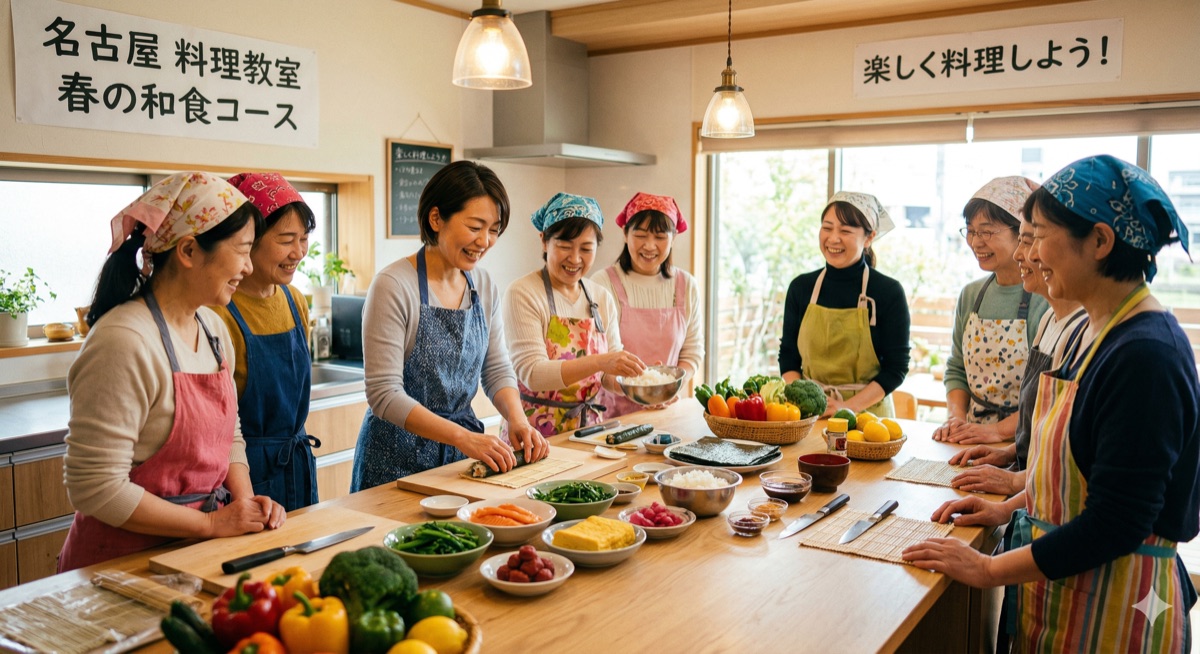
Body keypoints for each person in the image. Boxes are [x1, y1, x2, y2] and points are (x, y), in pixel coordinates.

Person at [903, 156, 1200, 652]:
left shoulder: (1146, 354)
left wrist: (987, 568)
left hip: (1118, 604)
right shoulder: (1101, 332)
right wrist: (1011, 511)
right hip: (1070, 588)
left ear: (1101, 241)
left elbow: (1117, 521)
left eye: (1038, 234)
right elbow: (1082, 480)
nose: (1031, 254)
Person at [59, 172, 285, 572]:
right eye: (242, 250)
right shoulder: (124, 341)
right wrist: (210, 523)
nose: (249, 267)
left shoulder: (212, 328)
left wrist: (245, 505)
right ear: (188, 250)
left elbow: (228, 433)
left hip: (193, 556)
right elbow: (95, 488)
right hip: (119, 568)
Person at [351, 161, 548, 492]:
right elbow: (383, 394)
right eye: (475, 227)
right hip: (395, 460)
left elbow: (497, 368)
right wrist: (464, 437)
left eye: (494, 230)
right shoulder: (394, 285)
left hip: (459, 457)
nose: (484, 241)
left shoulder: (482, 285)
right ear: (436, 218)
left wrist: (517, 418)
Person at [948, 207, 1088, 494]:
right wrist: (1011, 452)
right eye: (972, 232)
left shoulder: (1084, 331)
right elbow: (1044, 431)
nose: (1022, 255)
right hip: (1026, 474)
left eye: (1030, 240)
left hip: (1043, 497)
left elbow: (1071, 456)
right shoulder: (1053, 319)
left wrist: (1010, 468)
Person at [210, 172, 319, 511]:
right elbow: (221, 424)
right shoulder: (219, 311)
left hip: (297, 461)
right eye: (286, 239)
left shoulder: (295, 300)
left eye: (303, 238)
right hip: (244, 470)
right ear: (248, 239)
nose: (298, 252)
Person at [504, 192, 646, 436]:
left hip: (590, 432)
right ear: (544, 241)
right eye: (564, 246)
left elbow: (608, 378)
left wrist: (638, 382)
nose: (575, 258)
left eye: (586, 249)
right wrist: (602, 361)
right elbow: (533, 374)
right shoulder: (524, 292)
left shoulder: (600, 297)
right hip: (533, 433)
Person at [934, 177, 1050, 442]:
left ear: (1021, 232)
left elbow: (1046, 392)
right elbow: (956, 369)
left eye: (987, 231)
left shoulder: (1045, 297)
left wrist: (997, 432)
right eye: (971, 231)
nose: (976, 242)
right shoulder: (971, 295)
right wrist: (956, 419)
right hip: (972, 436)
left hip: (1026, 438)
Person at [778, 191, 910, 417]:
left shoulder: (888, 292)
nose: (833, 238)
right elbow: (788, 356)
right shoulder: (801, 288)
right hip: (810, 416)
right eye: (827, 228)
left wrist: (847, 407)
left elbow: (896, 368)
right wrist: (807, 401)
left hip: (869, 420)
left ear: (869, 238)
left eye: (846, 230)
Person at [591, 192, 702, 418]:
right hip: (612, 416)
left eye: (660, 237)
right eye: (640, 235)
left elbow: (692, 353)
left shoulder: (686, 285)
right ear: (625, 233)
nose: (649, 246)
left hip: (668, 413)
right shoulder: (602, 283)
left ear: (674, 238)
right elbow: (595, 358)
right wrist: (636, 390)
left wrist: (670, 387)